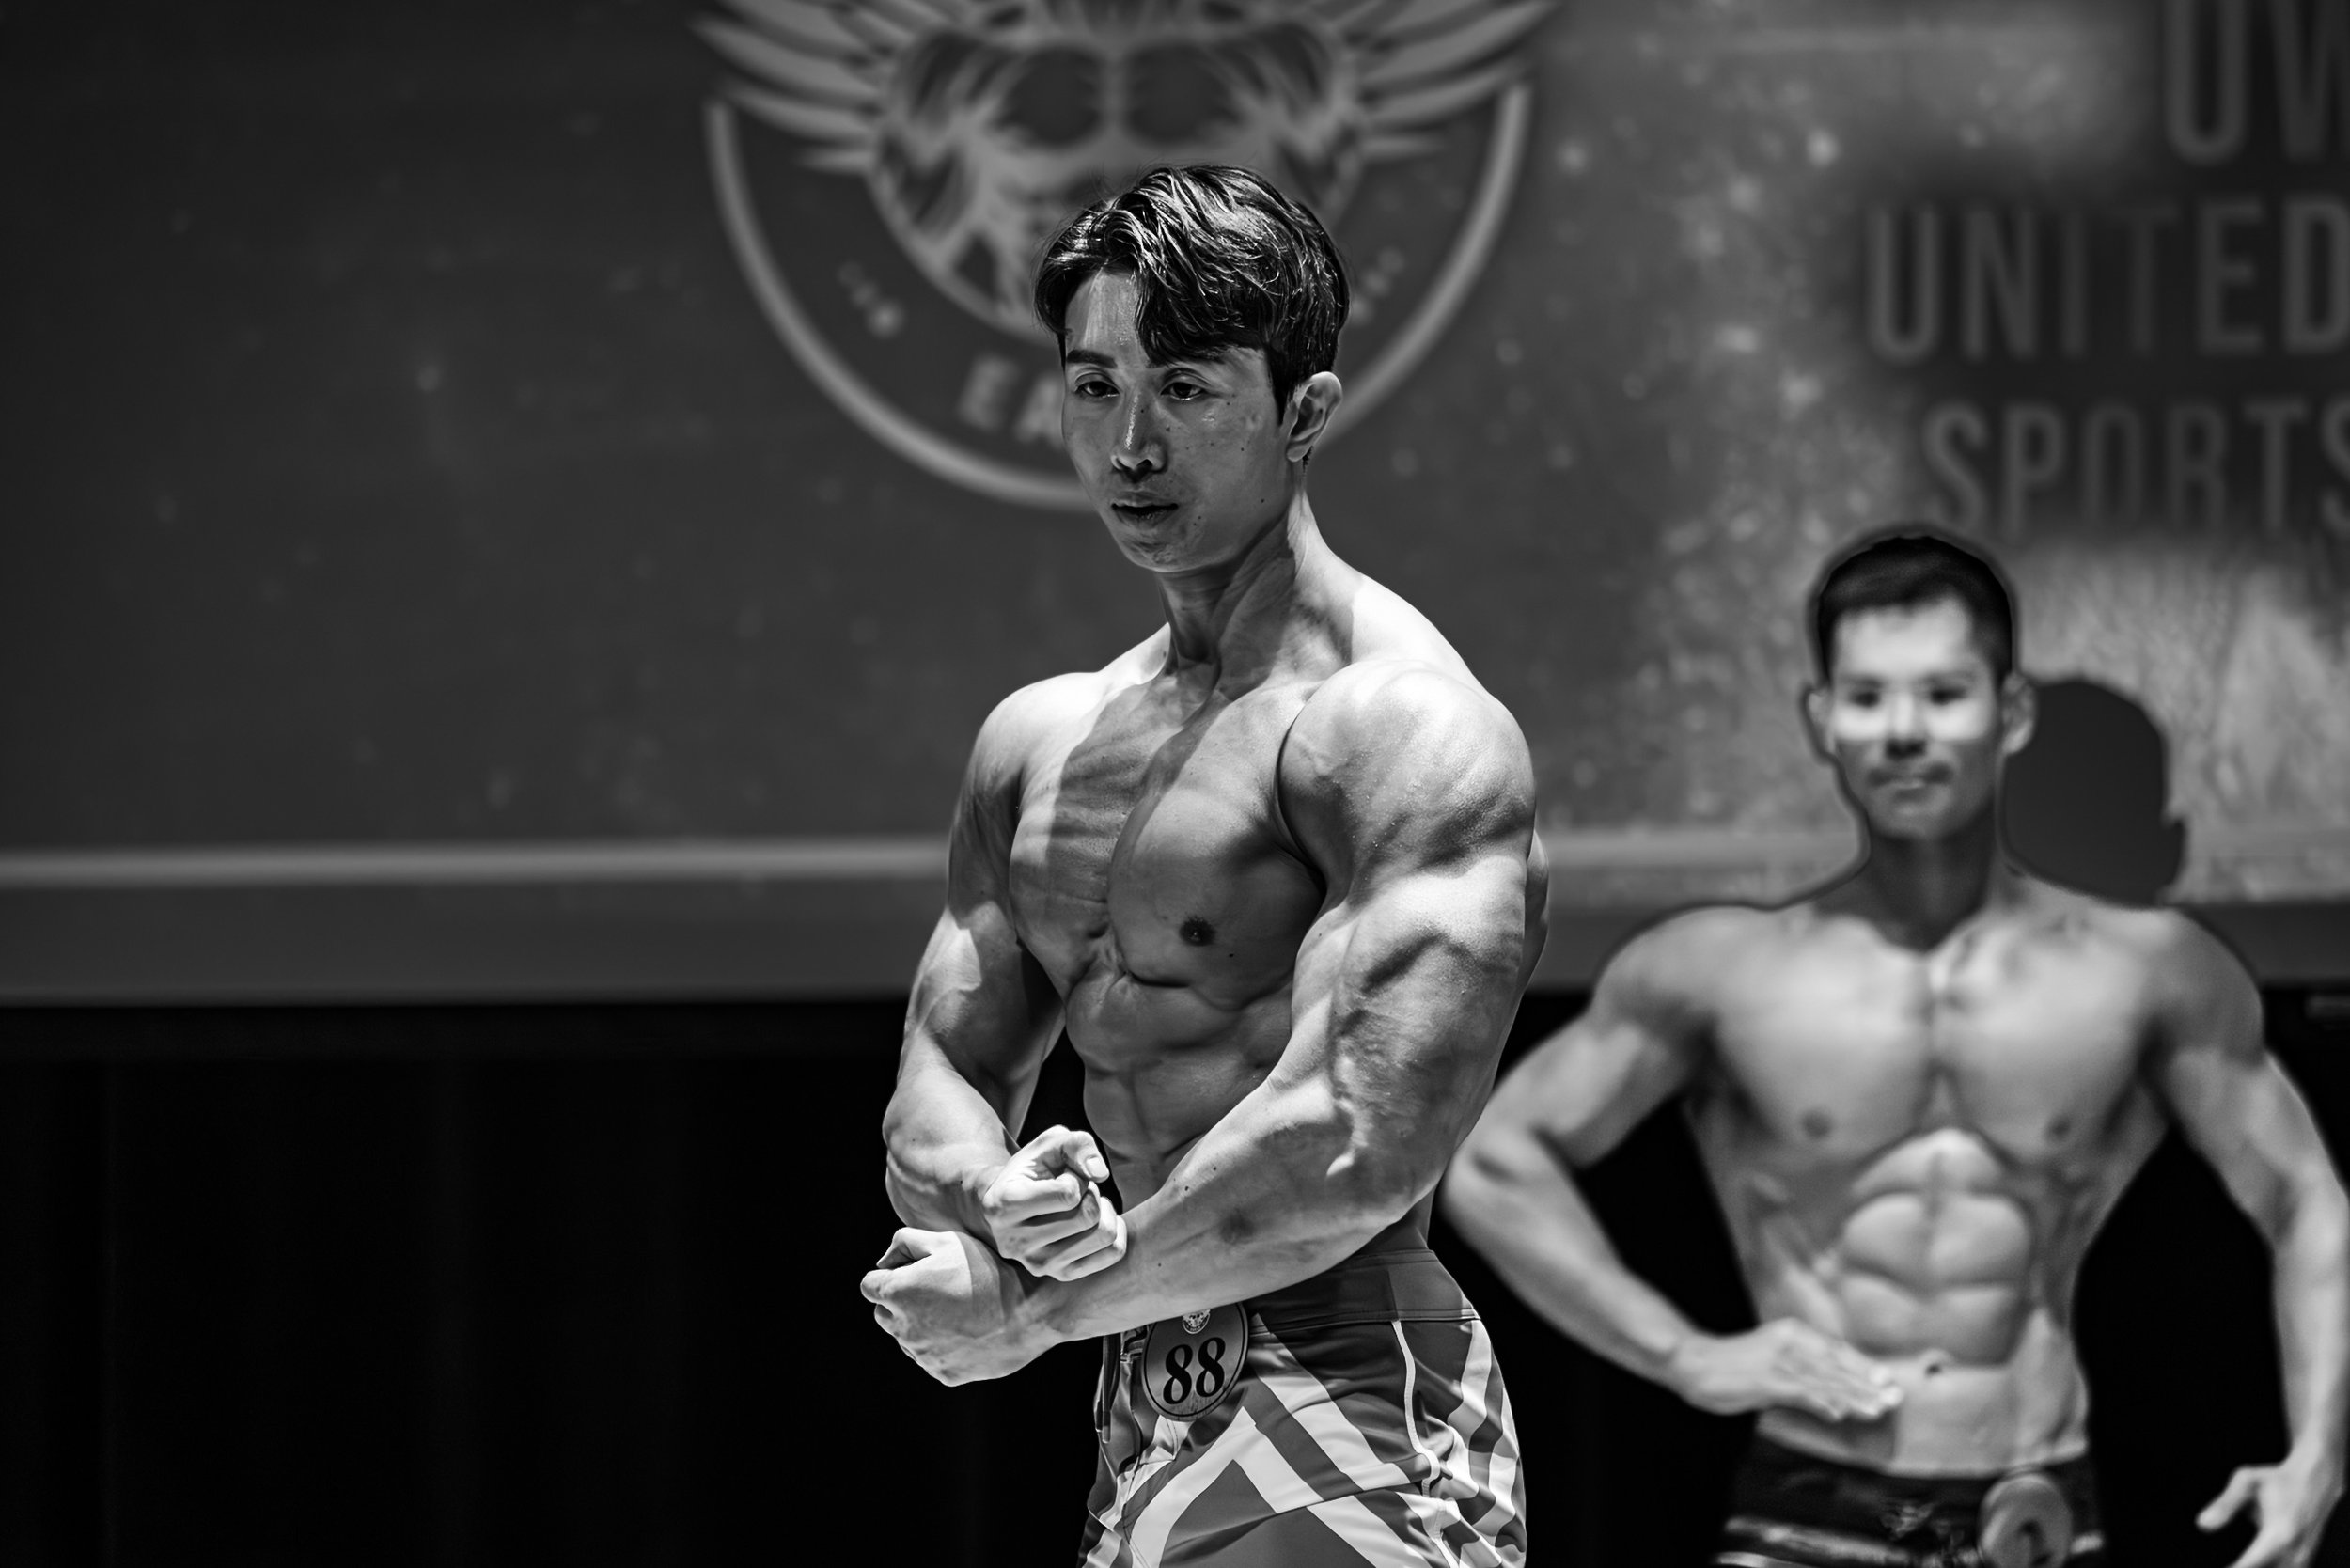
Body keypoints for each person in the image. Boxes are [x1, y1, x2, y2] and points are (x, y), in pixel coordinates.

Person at [860, 165, 1547, 1567]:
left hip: (1350, 1384)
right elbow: (939, 1080)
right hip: (1137, 1406)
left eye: (1184, 389)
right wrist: (992, 1203)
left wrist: (1035, 1313)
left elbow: (1350, 1149)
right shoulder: (1039, 744)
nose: (1130, 446)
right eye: (1096, 384)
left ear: (1306, 414)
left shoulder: (1396, 728)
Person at [1444, 528, 2349, 1568]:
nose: (1904, 732)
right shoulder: (1723, 971)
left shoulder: (2143, 971)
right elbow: (1498, 1160)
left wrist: (2318, 1455)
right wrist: (1685, 1355)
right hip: (1806, 1514)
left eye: (1942, 694)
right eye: (1868, 699)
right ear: (1822, 721)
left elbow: (2304, 1197)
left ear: (2008, 713)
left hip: (2037, 1512)